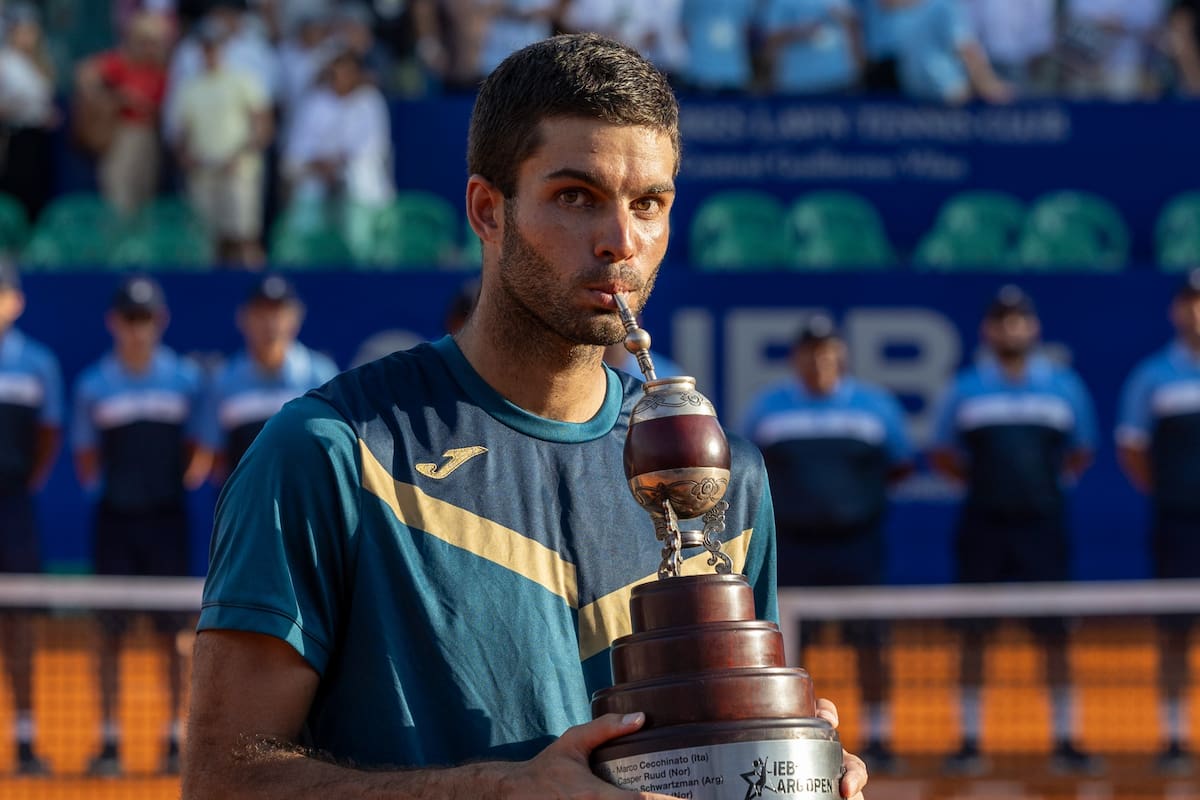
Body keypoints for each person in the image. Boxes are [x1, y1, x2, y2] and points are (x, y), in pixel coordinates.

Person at [183, 33, 867, 799]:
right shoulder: (330, 452)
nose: (621, 243)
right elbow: (222, 782)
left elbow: (718, 745)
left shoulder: (720, 476)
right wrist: (503, 792)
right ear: (488, 210)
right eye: (576, 197)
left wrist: (787, 765)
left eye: (649, 204)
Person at [929, 285, 1098, 776]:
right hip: (983, 525)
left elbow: (1080, 450)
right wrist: (985, 487)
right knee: (973, 635)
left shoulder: (1064, 386)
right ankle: (969, 740)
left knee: (1056, 636)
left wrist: (1042, 488)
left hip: (1044, 526)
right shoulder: (965, 388)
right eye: (1001, 321)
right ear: (988, 330)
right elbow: (942, 451)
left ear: (1034, 328)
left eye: (1019, 320)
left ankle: (1066, 738)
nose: (1011, 328)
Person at [740, 314, 913, 772]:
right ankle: (792, 733)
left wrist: (852, 507)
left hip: (858, 547)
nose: (819, 360)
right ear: (796, 359)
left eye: (827, 351)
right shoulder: (767, 409)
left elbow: (899, 465)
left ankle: (879, 737)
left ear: (841, 356)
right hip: (794, 549)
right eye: (809, 351)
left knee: (870, 644)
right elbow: (747, 473)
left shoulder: (877, 408)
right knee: (793, 647)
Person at [72, 275, 210, 776]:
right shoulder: (93, 384)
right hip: (114, 524)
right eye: (129, 319)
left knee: (175, 637)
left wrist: (171, 486)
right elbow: (85, 458)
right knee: (107, 636)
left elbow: (199, 449)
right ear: (114, 323)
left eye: (145, 319)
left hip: (167, 523)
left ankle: (176, 738)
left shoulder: (186, 382)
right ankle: (109, 740)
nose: (137, 329)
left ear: (161, 321)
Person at [1115, 269, 1200, 774]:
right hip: (1178, 525)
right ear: (1175, 312)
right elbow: (1133, 449)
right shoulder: (1152, 376)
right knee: (1174, 632)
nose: (1197, 312)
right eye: (1189, 302)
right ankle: (1174, 736)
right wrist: (1177, 494)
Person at [0, 259, 60, 775]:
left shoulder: (37, 364)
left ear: (15, 302)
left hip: (13, 512)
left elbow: (49, 437)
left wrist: (24, 480)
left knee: (19, 625)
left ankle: (24, 738)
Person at [202, 275, 339, 482]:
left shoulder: (321, 376)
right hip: (246, 509)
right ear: (243, 318)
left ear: (296, 317)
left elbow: (334, 449)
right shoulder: (223, 381)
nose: (270, 323)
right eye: (261, 313)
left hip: (306, 508)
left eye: (278, 312)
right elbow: (215, 459)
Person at [167, 18, 273, 267]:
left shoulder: (242, 80)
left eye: (214, 46)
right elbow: (180, 133)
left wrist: (240, 155)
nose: (210, 52)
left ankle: (253, 289)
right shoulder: (189, 87)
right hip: (202, 172)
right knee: (204, 239)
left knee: (243, 236)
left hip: (238, 170)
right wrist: (186, 157)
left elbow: (262, 124)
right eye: (205, 46)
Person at [74, 10, 172, 216]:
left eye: (154, 42)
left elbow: (160, 107)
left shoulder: (160, 69)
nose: (150, 47)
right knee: (119, 192)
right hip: (122, 133)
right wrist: (114, 98)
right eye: (145, 41)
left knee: (144, 192)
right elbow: (85, 74)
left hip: (149, 134)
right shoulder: (120, 62)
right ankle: (118, 242)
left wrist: (143, 105)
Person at [0, 4, 59, 223]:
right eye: (23, 31)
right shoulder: (5, 61)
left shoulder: (37, 63)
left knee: (38, 191)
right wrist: (17, 109)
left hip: (39, 137)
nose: (28, 37)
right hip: (16, 136)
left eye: (31, 32)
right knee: (16, 191)